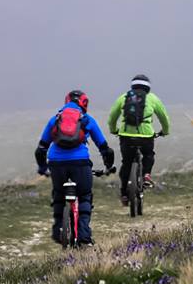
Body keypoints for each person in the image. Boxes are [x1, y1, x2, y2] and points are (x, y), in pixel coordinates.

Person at [35, 90, 115, 246]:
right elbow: (105, 147)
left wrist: (42, 168)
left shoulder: (56, 119)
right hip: (80, 163)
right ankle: (84, 237)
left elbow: (41, 148)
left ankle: (58, 229)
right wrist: (108, 166)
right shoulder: (87, 119)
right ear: (84, 104)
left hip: (56, 163)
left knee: (58, 194)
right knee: (84, 195)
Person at [108, 75, 171, 206]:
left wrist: (114, 130)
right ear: (148, 87)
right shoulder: (153, 98)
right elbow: (163, 117)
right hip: (146, 136)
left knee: (126, 163)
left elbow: (112, 117)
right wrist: (165, 131)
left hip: (126, 135)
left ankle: (124, 195)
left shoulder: (124, 97)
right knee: (148, 155)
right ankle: (146, 174)